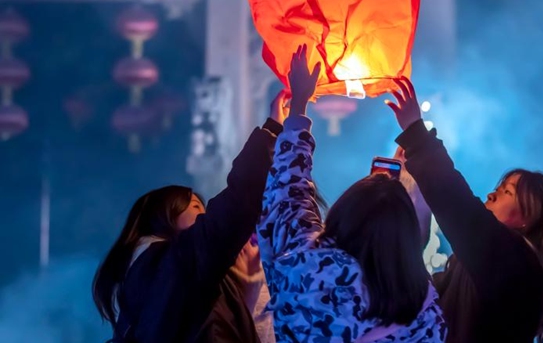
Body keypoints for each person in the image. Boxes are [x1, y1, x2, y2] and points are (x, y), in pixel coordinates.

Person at [257, 45, 446, 342]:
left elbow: (288, 190)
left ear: (344, 212)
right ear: (405, 233)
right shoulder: (422, 310)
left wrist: (297, 110)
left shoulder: (303, 268)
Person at [385, 77, 543, 343]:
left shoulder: (517, 264)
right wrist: (409, 197)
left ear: (530, 218)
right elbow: (424, 297)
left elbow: (459, 205)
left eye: (506, 192)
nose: (491, 193)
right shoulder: (474, 263)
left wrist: (415, 133)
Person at [92, 92, 288, 343]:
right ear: (166, 215)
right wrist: (273, 129)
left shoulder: (148, 277)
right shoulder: (174, 262)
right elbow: (236, 201)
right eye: (196, 207)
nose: (205, 215)